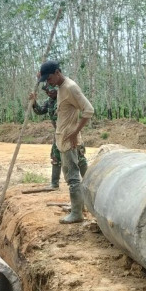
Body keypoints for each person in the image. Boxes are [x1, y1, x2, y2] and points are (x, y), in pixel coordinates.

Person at [32, 61, 94, 223]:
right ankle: (80, 208)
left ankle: (77, 213)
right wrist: (39, 81)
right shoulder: (60, 88)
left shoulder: (70, 87)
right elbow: (49, 91)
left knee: (73, 178)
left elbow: (89, 110)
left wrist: (75, 132)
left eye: (50, 78)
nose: (48, 82)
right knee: (76, 175)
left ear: (58, 72)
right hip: (63, 139)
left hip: (69, 140)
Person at [30, 83, 88, 189]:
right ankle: (54, 183)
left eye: (51, 91)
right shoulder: (49, 102)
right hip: (58, 134)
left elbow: (85, 109)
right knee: (55, 157)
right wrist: (33, 101)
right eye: (47, 92)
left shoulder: (66, 98)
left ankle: (89, 182)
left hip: (71, 133)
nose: (49, 93)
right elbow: (40, 111)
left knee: (80, 157)